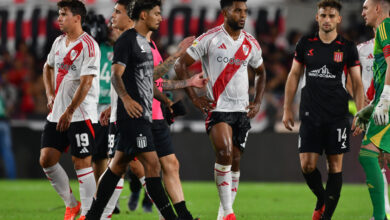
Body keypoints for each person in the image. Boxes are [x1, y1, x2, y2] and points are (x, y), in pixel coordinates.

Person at [83, 1, 181, 219]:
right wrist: (125, 100)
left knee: (117, 167)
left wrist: (166, 100)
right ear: (143, 15)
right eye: (156, 14)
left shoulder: (142, 43)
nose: (160, 18)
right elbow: (116, 75)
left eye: (117, 12)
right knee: (152, 166)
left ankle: (92, 215)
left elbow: (147, 80)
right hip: (132, 116)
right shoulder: (126, 41)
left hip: (141, 115)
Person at [175, 0, 267, 219]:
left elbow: (262, 72)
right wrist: (194, 97)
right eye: (238, 10)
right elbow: (180, 64)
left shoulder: (251, 43)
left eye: (245, 11)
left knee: (234, 160)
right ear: (225, 12)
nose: (243, 15)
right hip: (218, 110)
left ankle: (222, 212)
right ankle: (228, 212)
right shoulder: (209, 38)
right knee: (224, 153)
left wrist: (258, 101)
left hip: (242, 111)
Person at [282, 0, 364, 220]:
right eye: (323, 15)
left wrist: (360, 111)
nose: (327, 19)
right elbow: (293, 76)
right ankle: (322, 197)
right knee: (307, 165)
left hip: (337, 115)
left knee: (334, 166)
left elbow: (356, 82)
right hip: (310, 113)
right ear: (317, 18)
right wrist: (287, 108)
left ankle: (325, 216)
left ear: (339, 19)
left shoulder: (347, 47)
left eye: (331, 16)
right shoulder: (305, 44)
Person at [39, 0, 100, 219]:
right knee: (46, 159)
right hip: (57, 112)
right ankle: (71, 204)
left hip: (81, 114)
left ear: (77, 17)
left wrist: (70, 110)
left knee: (81, 162)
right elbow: (47, 67)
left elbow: (86, 83)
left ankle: (87, 212)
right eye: (59, 14)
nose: (59, 18)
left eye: (63, 14)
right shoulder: (58, 42)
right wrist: (49, 94)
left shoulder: (89, 45)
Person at [357, 0, 390, 219]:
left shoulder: (386, 26)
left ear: (378, 8)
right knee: (383, 156)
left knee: (368, 154)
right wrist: (370, 106)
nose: (362, 13)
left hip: (389, 101)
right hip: (382, 99)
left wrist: (385, 98)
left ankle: (380, 216)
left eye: (366, 8)